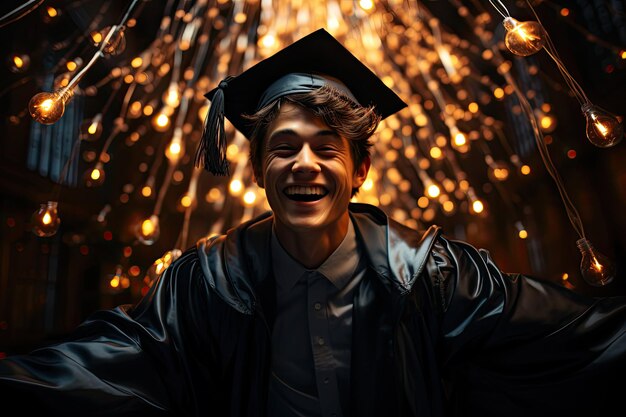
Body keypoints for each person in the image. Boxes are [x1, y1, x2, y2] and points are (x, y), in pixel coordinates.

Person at [1, 28, 625, 417]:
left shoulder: (434, 276)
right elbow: (104, 364)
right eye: (284, 147)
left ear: (358, 172)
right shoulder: (203, 285)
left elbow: (576, 337)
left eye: (328, 147)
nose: (305, 164)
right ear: (258, 169)